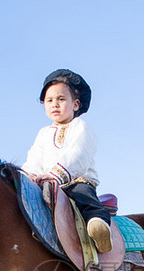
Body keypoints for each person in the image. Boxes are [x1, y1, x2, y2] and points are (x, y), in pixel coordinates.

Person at [22, 69, 113, 253]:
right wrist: (27, 176)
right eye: (49, 100)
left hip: (74, 181)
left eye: (61, 99)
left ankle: (98, 225)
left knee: (82, 196)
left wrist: (56, 175)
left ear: (76, 104)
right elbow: (34, 158)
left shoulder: (79, 127)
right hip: (47, 185)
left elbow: (79, 154)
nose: (55, 104)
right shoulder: (43, 134)